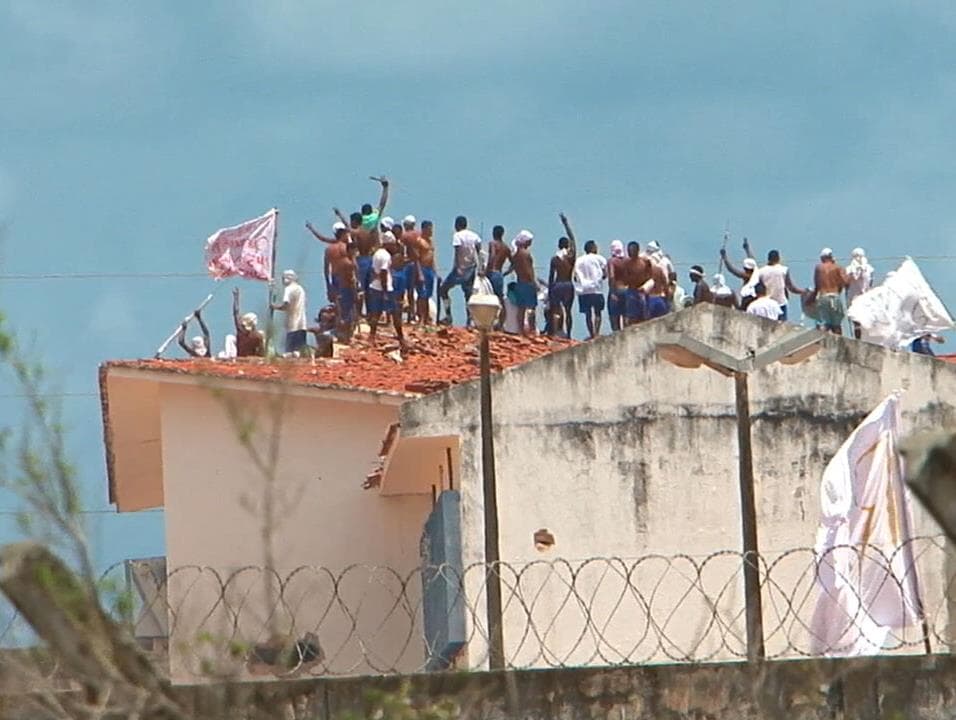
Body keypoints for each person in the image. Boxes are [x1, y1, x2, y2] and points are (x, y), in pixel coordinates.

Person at [309, 220, 357, 337]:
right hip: (345, 277)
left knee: (338, 305)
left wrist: (328, 285)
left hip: (334, 277)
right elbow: (352, 265)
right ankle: (346, 331)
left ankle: (339, 329)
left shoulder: (329, 249)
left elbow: (326, 269)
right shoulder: (345, 248)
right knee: (349, 304)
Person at [438, 216, 481, 325]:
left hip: (460, 268)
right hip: (471, 267)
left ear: (457, 225)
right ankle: (469, 320)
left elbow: (457, 251)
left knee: (443, 289)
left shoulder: (457, 236)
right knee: (468, 295)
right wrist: (480, 266)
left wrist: (456, 267)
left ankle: (448, 316)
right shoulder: (474, 236)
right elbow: (479, 251)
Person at [367, 233, 408, 350]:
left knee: (376, 314)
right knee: (395, 313)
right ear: (388, 244)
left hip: (374, 287)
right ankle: (401, 339)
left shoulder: (377, 254)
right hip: (385, 288)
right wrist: (385, 291)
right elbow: (384, 272)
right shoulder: (386, 256)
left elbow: (374, 271)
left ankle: (372, 337)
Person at [335, 208, 377, 317]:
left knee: (360, 288)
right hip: (370, 259)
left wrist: (339, 215)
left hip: (361, 260)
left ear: (354, 221)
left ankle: (359, 313)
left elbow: (347, 227)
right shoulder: (369, 232)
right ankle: (370, 312)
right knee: (369, 288)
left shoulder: (357, 232)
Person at [548, 213, 577, 337]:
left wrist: (550, 290)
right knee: (568, 311)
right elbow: (573, 240)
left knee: (556, 311)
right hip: (568, 284)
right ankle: (569, 334)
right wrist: (566, 224)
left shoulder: (554, 259)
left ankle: (555, 332)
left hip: (557, 285)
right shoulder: (570, 257)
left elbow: (551, 277)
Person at [807, 248, 848, 335]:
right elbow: (845, 282)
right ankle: (839, 346)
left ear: (823, 257)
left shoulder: (819, 268)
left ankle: (823, 344)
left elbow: (817, 287)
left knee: (825, 324)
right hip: (835, 296)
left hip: (823, 297)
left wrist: (810, 299)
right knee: (837, 325)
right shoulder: (838, 267)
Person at [573, 240, 607, 339]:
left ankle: (591, 334)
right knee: (598, 313)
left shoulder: (579, 260)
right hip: (596, 289)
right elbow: (605, 273)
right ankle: (596, 333)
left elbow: (575, 276)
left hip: (583, 290)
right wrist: (601, 278)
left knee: (587, 314)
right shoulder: (600, 258)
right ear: (593, 248)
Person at [757, 249, 804, 321]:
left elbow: (759, 288)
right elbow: (791, 287)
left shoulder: (761, 271)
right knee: (781, 327)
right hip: (780, 303)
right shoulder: (783, 270)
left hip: (767, 304)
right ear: (778, 258)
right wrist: (803, 291)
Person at [270, 270, 308, 355]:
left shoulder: (289, 289)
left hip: (293, 322)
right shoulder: (301, 289)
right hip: (302, 322)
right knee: (300, 351)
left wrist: (275, 307)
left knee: (290, 351)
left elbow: (286, 304)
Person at [410, 219, 437, 325]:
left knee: (428, 295)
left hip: (430, 270)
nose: (431, 231)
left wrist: (435, 271)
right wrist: (420, 273)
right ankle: (420, 317)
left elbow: (432, 257)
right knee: (422, 294)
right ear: (424, 229)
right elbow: (416, 258)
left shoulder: (431, 242)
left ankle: (426, 318)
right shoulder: (419, 241)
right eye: (429, 229)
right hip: (422, 269)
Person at [511, 230, 537, 336]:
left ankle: (521, 330)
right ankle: (531, 330)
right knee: (531, 308)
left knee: (521, 308)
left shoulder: (516, 254)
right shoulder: (525, 254)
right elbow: (528, 269)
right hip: (527, 283)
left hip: (520, 282)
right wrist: (534, 282)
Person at [845, 247, 874, 339]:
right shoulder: (870, 269)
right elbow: (870, 283)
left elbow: (846, 283)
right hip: (865, 298)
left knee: (856, 322)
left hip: (853, 298)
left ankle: (859, 339)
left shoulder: (849, 269)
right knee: (864, 321)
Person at [623, 242, 652, 325]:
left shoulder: (645, 262)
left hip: (643, 291)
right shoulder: (626, 264)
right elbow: (625, 279)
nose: (629, 252)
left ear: (637, 250)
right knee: (632, 316)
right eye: (628, 250)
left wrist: (644, 286)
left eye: (631, 250)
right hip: (632, 291)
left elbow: (650, 276)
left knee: (645, 315)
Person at [485, 225, 512, 314]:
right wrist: (506, 273)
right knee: (500, 299)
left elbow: (492, 256)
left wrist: (486, 271)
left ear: (493, 233)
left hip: (492, 273)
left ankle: (489, 320)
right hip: (499, 274)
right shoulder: (506, 247)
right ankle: (501, 321)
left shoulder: (493, 243)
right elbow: (514, 263)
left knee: (488, 297)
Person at [232, 288, 265, 357]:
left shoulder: (241, 330)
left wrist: (236, 298)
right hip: (252, 358)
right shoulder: (258, 336)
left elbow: (236, 313)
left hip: (240, 356)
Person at [400, 215, 421, 323]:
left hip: (408, 264)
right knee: (418, 291)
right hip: (419, 264)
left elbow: (402, 251)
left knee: (408, 290)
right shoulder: (419, 235)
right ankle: (415, 315)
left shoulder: (404, 236)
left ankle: (409, 315)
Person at [606, 240, 628, 331]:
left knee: (614, 317)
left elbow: (611, 276)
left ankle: (616, 337)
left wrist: (612, 292)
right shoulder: (627, 261)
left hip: (616, 290)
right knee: (626, 315)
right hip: (626, 289)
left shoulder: (612, 261)